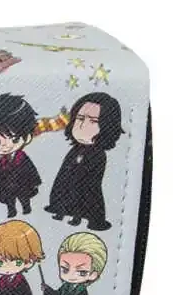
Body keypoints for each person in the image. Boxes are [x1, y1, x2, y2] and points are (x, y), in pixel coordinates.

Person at [46, 91, 122, 231]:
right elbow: (64, 169)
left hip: (84, 187)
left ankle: (78, 217)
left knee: (81, 200)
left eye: (93, 121)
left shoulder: (98, 154)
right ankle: (60, 212)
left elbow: (94, 177)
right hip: (68, 183)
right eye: (80, 118)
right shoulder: (74, 150)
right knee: (64, 195)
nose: (82, 126)